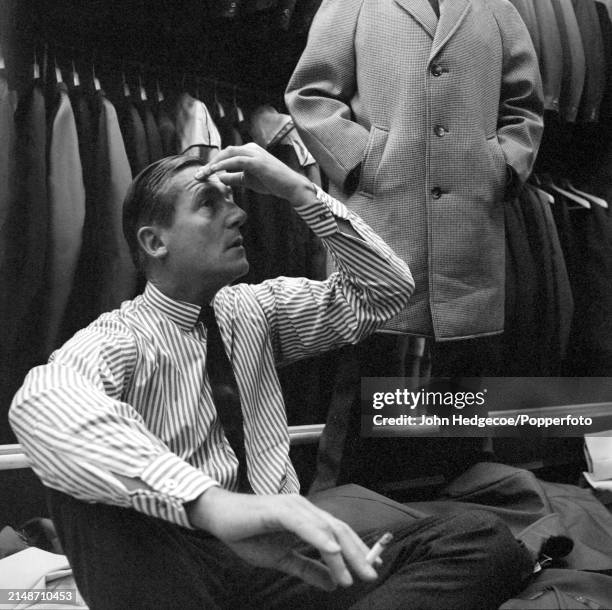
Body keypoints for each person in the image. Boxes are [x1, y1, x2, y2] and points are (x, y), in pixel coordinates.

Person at [9, 144, 532, 609]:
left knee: (483, 540)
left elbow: (386, 294)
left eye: (233, 201)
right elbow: (41, 402)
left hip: (279, 562)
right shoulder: (122, 338)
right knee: (84, 493)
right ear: (154, 242)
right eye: (210, 205)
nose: (237, 215)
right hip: (184, 567)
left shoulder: (254, 310)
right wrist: (215, 507)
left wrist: (296, 189)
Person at [284, 0, 545, 488]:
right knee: (360, 403)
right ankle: (349, 527)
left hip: (468, 237)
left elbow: (523, 106)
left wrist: (503, 165)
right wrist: (363, 159)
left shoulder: (498, 9)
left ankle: (459, 531)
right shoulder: (353, 4)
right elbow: (310, 94)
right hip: (382, 224)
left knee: (459, 415)